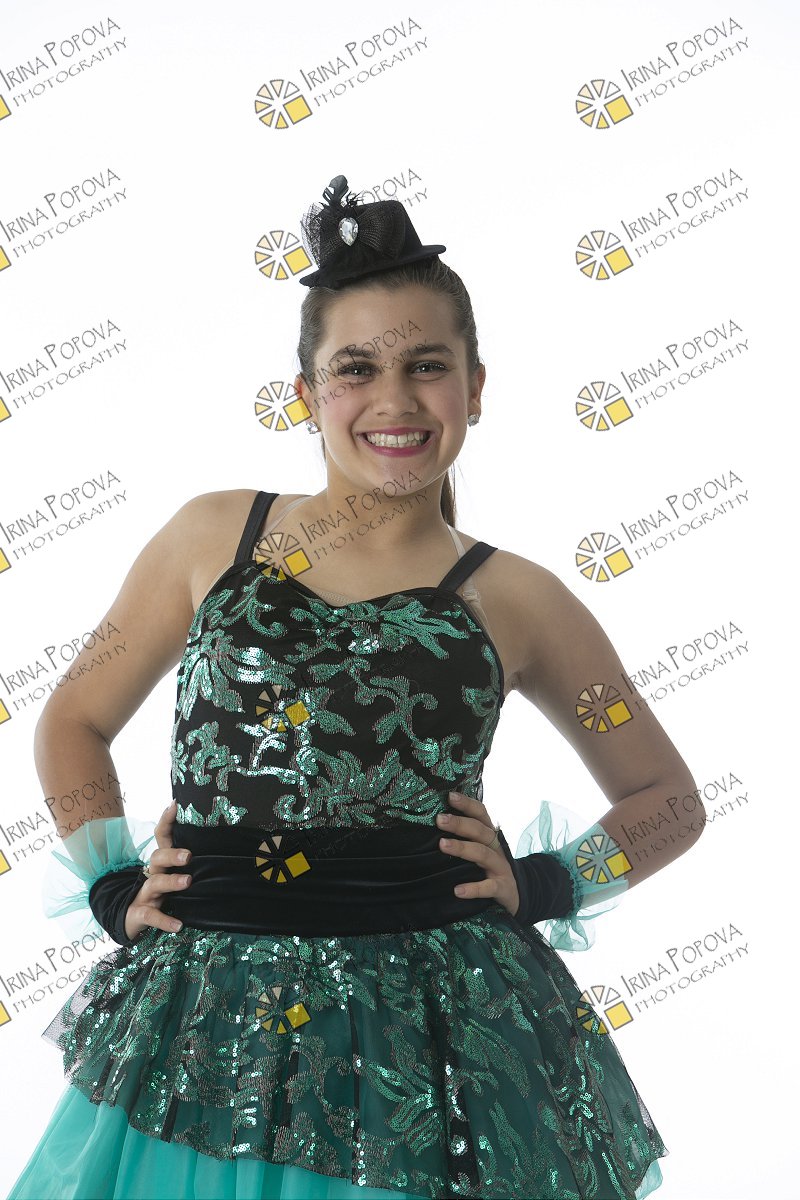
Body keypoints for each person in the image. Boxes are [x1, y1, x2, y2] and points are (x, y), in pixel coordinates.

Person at [5, 174, 700, 1200]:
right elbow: (74, 718)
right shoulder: (211, 538)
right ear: (306, 395)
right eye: (356, 368)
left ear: (475, 387)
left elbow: (666, 799)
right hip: (208, 1013)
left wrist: (547, 884)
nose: (394, 399)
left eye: (427, 367)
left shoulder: (522, 601)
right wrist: (112, 886)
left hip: (428, 1031)